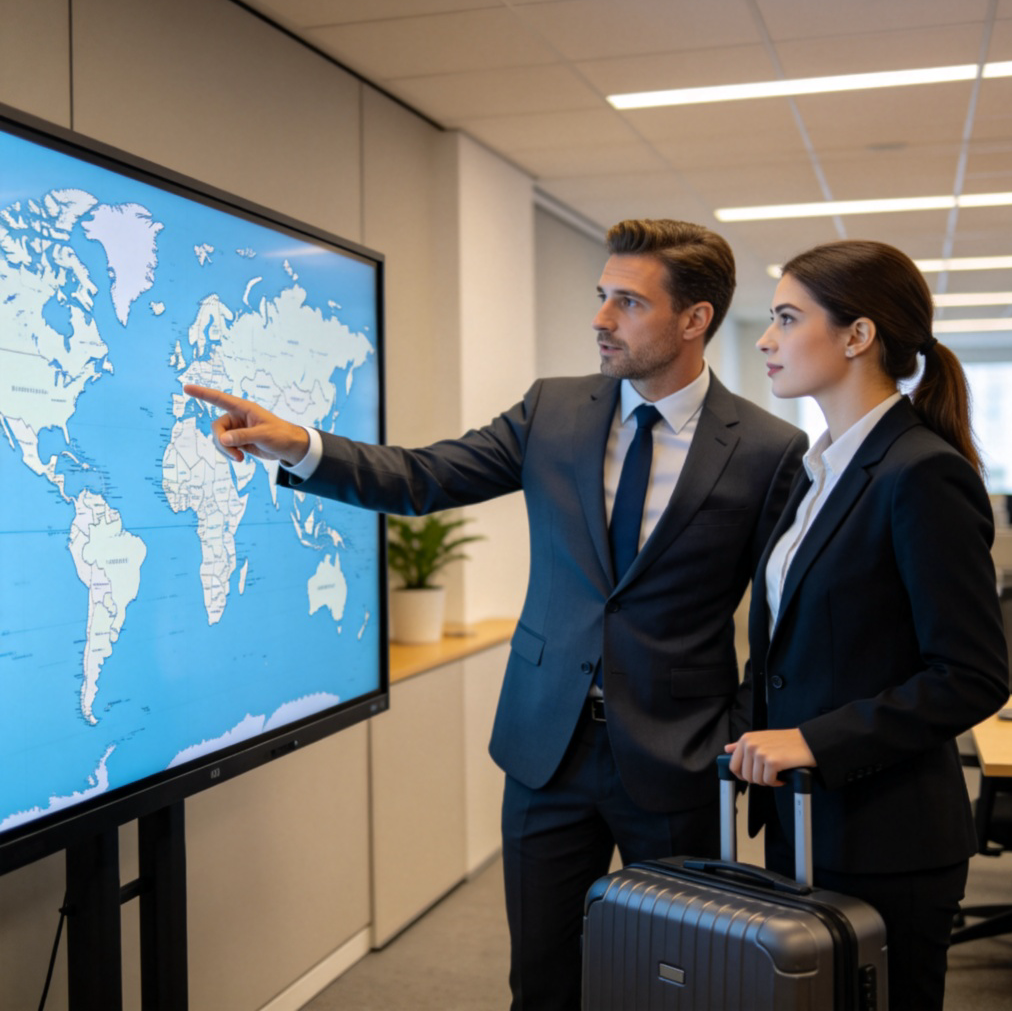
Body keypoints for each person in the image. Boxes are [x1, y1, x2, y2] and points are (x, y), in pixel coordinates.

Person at [185, 218, 808, 1011]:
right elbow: (420, 478)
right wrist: (298, 443)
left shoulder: (768, 447)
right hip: (545, 748)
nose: (601, 319)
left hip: (681, 755)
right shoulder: (554, 410)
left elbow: (784, 614)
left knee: (675, 979)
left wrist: (741, 730)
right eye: (599, 297)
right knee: (541, 979)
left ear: (696, 319)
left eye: (628, 302)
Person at [726, 240, 1010, 1011]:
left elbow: (971, 675)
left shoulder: (922, 473)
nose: (765, 338)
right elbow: (792, 644)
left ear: (858, 336)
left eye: (787, 317)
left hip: (889, 838)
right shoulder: (814, 470)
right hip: (806, 816)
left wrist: (816, 740)